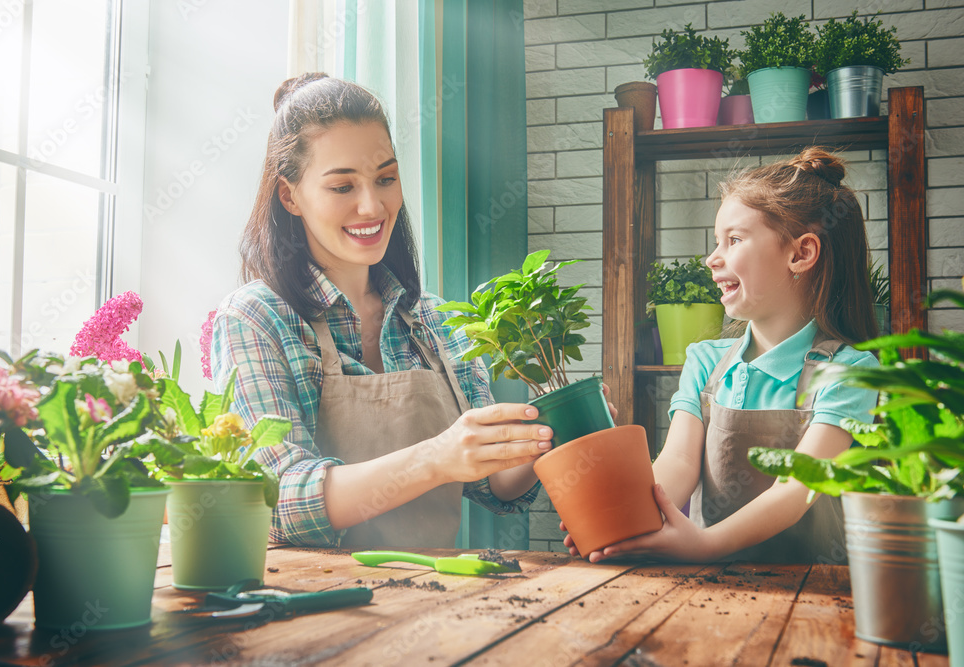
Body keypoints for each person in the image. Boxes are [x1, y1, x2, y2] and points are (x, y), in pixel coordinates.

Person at [211, 74, 553, 548]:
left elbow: (486, 484)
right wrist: (434, 457)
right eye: (342, 187)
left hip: (429, 596)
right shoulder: (254, 319)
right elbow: (277, 500)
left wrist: (542, 440)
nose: (372, 206)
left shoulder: (433, 320)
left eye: (385, 179)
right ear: (290, 196)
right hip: (310, 603)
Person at [565, 147, 880, 564]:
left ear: (801, 254)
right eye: (718, 242)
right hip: (710, 588)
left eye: (733, 240)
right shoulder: (705, 361)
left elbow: (799, 487)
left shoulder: (849, 372)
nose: (712, 259)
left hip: (814, 596)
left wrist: (706, 544)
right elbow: (678, 461)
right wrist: (626, 518)